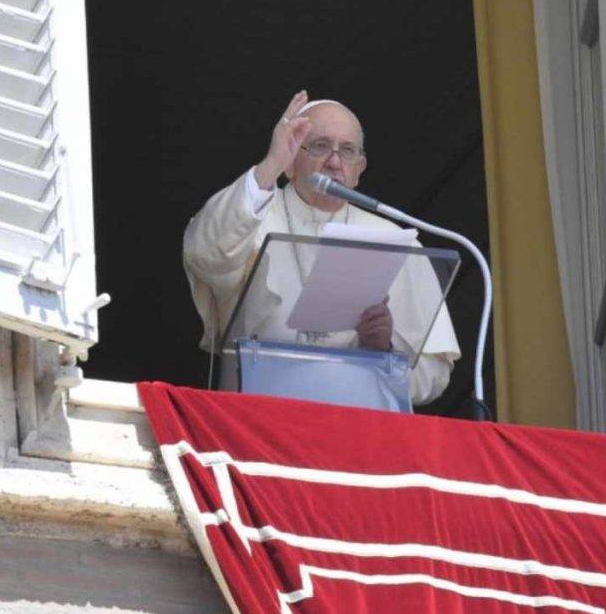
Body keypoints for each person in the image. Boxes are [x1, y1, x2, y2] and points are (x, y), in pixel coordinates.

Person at [183, 90, 460, 405]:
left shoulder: (395, 239)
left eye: (347, 150)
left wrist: (383, 350)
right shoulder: (252, 215)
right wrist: (269, 165)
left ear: (360, 169)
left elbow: (433, 377)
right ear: (290, 162)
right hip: (256, 413)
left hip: (357, 427)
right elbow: (205, 252)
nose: (334, 162)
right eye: (320, 146)